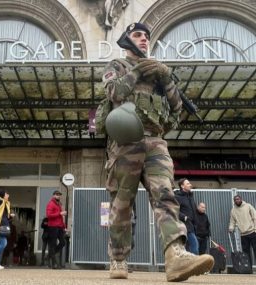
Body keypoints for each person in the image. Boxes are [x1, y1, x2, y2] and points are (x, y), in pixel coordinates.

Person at [102, 22, 214, 281]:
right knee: (121, 206)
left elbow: (176, 109)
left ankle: (175, 254)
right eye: (138, 35)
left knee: (165, 194)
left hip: (155, 141)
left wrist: (165, 77)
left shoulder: (160, 75)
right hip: (125, 142)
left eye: (147, 37)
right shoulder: (117, 66)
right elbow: (114, 92)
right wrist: (140, 69)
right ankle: (118, 259)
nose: (144, 39)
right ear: (127, 39)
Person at [228, 195, 256, 267]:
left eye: (238, 199)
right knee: (246, 253)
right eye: (235, 200)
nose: (237, 200)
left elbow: (254, 217)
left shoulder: (248, 206)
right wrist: (231, 228)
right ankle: (248, 268)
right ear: (234, 201)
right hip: (243, 234)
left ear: (241, 199)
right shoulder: (233, 210)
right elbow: (232, 221)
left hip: (252, 232)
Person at [175, 178, 199, 255]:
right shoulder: (178, 197)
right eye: (188, 183)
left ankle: (187, 265)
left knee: (187, 248)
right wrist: (184, 217)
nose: (190, 185)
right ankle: (195, 265)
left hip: (192, 226)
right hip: (184, 225)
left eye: (189, 183)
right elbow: (174, 210)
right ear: (182, 186)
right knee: (194, 246)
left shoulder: (190, 196)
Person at [46, 190, 66, 269]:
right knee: (53, 244)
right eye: (57, 195)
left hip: (60, 226)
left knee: (63, 242)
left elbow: (61, 217)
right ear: (53, 195)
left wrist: (64, 227)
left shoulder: (59, 204)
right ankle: (54, 264)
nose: (58, 196)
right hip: (53, 226)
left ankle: (50, 255)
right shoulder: (50, 204)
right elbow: (49, 215)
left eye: (59, 195)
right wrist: (59, 213)